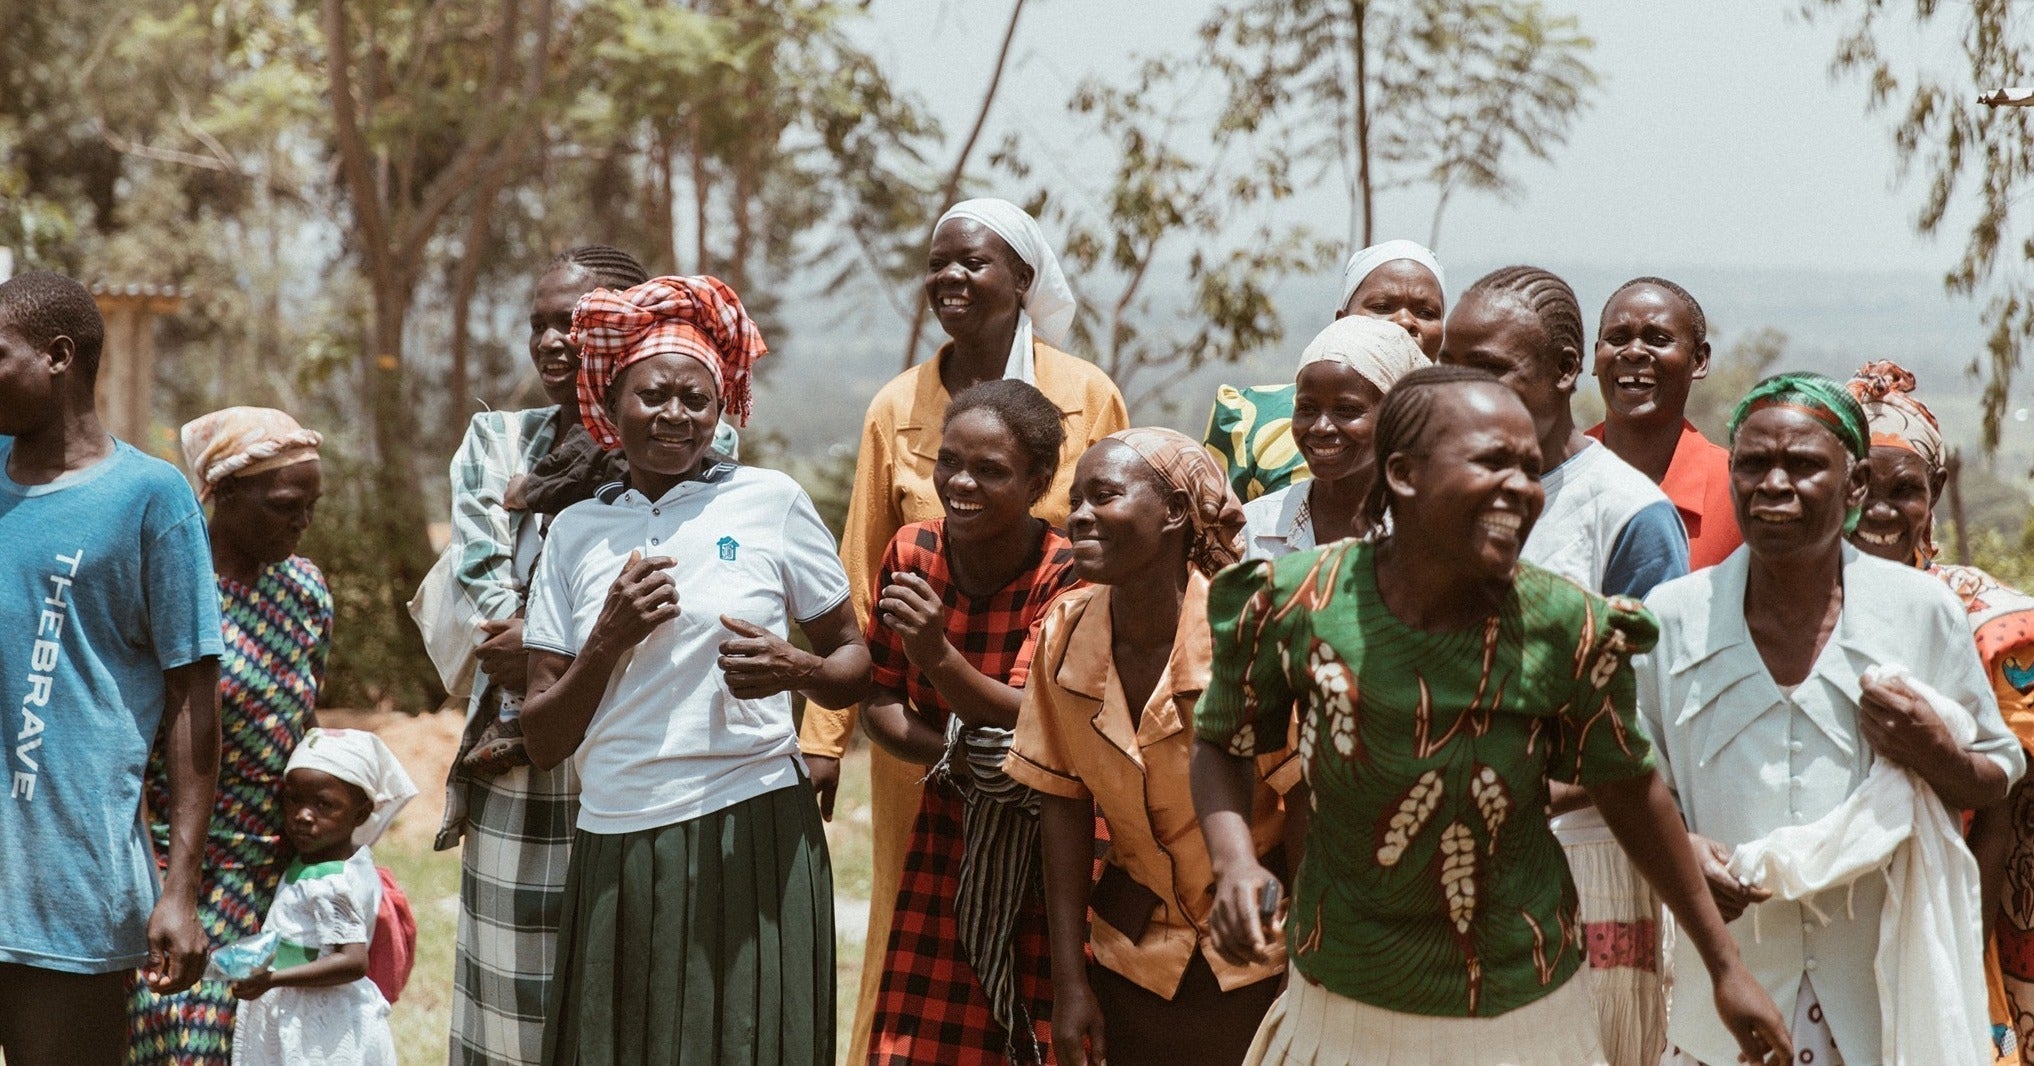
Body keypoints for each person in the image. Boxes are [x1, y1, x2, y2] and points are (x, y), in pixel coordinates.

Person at [1193, 365, 1790, 1066]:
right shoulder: (1296, 601)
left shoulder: (1565, 627)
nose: (1521, 488)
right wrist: (1234, 862)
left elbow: (1630, 786)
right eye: (1491, 462)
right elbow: (1223, 740)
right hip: (1343, 999)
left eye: (1530, 468)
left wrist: (1726, 969)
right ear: (1405, 473)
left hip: (1521, 1006)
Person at [521, 274, 869, 1064]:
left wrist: (795, 670)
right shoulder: (576, 532)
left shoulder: (768, 502)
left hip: (754, 825)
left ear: (723, 411)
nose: (675, 416)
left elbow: (854, 662)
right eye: (653, 396)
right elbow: (542, 737)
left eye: (696, 400)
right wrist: (607, 637)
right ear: (610, 408)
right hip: (620, 832)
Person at [812, 197, 1128, 1062]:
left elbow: (1120, 545)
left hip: (1049, 724)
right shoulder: (896, 406)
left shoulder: (1085, 396)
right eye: (937, 263)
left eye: (974, 263)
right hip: (917, 739)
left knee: (1049, 928)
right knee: (913, 927)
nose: (949, 278)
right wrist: (822, 740)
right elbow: (857, 573)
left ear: (1023, 281)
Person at [1637, 372, 2024, 1065]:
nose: (1774, 484)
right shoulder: (1674, 617)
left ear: (1852, 489)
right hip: (1721, 1002)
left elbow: (1996, 774)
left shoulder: (1919, 612)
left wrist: (1936, 751)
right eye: (1752, 465)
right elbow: (1639, 786)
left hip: (1877, 1006)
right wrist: (1686, 854)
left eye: (1804, 465)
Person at [437, 245, 737, 1066]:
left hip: (644, 755)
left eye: (575, 321)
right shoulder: (498, 444)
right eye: (539, 323)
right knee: (515, 1005)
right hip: (521, 764)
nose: (553, 341)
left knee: (632, 991)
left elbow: (680, 579)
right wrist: (567, 634)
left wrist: (548, 639)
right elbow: (488, 610)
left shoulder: (697, 434)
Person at [1441, 265, 1689, 1064]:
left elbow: (1653, 722)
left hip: (1589, 861)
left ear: (1564, 369)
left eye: (1493, 369)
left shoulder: (1625, 515)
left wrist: (1525, 788)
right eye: (1453, 363)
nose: (1464, 388)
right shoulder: (1433, 499)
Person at [1005, 427, 1293, 1066]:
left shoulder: (1246, 632)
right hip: (1132, 961)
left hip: (1260, 960)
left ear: (1176, 514)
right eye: (1074, 499)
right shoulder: (1063, 632)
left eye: (1103, 495)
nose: (1078, 515)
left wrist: (1304, 965)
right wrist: (1070, 984)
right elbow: (1063, 805)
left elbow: (1305, 804)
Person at [0, 272, 223, 1066]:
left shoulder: (149, 500)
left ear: (58, 357)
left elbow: (194, 694)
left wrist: (180, 888)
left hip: (70, 898)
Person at [863, 379, 1083, 1064]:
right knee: (918, 1044)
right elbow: (877, 702)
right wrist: (958, 759)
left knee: (1035, 1034)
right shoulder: (913, 553)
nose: (961, 482)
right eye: (950, 461)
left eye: (991, 471)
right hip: (948, 830)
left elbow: (1039, 720)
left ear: (1039, 480)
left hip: (1052, 842)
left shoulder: (1067, 570)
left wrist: (936, 656)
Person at [126, 407, 333, 1063]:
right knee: (188, 1045)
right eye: (285, 504)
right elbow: (127, 751)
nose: (302, 520)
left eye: (312, 505)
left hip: (277, 868)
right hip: (182, 870)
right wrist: (169, 891)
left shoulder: (305, 591)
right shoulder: (171, 593)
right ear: (227, 491)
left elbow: (307, 724)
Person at [1841, 360, 2034, 1062]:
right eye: (1862, 488)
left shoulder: (1987, 623)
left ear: (1939, 492)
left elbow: (2000, 819)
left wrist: (1954, 955)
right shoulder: (1793, 604)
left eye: (1905, 491)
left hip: (1951, 921)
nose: (1880, 512)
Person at [229, 727, 416, 1066]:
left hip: (318, 1024)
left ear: (360, 814)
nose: (303, 815)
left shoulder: (332, 882)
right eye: (294, 800)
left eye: (323, 805)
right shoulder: (324, 861)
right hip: (300, 1010)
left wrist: (271, 980)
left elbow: (353, 960)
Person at [1205, 239, 1446, 502]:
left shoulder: (1461, 428)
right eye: (1381, 307)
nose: (1404, 321)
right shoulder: (1253, 419)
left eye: (1426, 312)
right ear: (1342, 320)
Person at [1239, 314, 1429, 560]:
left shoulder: (1426, 534)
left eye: (1346, 410)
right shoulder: (1252, 531)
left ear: (1394, 416)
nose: (1321, 427)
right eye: (1307, 408)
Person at [1588, 277, 1741, 570]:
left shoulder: (1739, 489)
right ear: (1596, 357)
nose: (1633, 352)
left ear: (1699, 361)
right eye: (1617, 339)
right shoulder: (1554, 477)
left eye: (1658, 340)